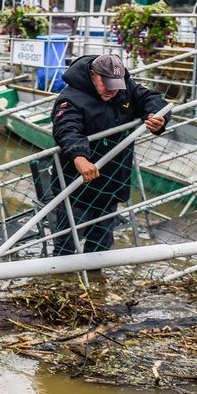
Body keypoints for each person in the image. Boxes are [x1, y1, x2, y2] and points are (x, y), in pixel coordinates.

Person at [49, 53, 167, 255]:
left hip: (112, 182)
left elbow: (151, 98)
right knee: (67, 243)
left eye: (116, 85)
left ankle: (95, 278)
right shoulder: (70, 98)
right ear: (93, 75)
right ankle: (62, 280)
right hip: (78, 185)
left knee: (102, 243)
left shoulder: (124, 88)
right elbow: (66, 128)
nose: (112, 91)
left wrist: (155, 117)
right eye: (106, 84)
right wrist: (79, 157)